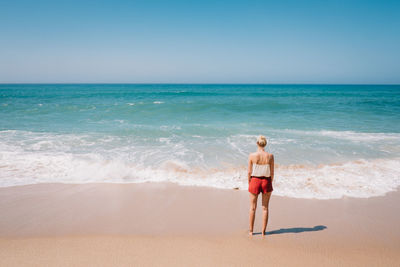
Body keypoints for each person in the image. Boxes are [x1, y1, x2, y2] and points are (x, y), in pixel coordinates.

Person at [248, 135, 274, 236]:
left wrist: (249, 182)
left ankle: (251, 231)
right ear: (265, 144)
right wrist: (269, 182)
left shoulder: (252, 155)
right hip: (266, 181)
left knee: (252, 207)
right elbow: (272, 173)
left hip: (255, 180)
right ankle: (263, 231)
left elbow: (249, 172)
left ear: (257, 143)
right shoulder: (270, 156)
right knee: (265, 208)